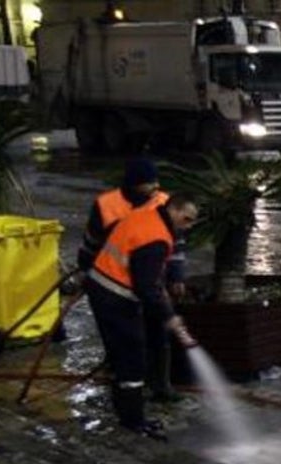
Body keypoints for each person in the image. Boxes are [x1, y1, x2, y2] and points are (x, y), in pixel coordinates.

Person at [85, 193, 200, 441]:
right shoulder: (156, 238)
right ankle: (133, 421)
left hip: (102, 287)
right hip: (115, 297)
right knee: (133, 359)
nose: (188, 226)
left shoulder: (146, 217)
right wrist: (168, 316)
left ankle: (124, 411)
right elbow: (146, 287)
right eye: (187, 219)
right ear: (173, 210)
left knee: (121, 356)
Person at [77, 157, 187, 403]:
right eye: (147, 185)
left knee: (158, 332)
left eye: (154, 184)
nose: (153, 190)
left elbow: (177, 241)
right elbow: (91, 243)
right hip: (116, 286)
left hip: (150, 282)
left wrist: (177, 275)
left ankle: (160, 384)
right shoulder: (107, 205)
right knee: (122, 339)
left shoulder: (163, 202)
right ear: (132, 185)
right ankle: (123, 383)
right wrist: (86, 273)